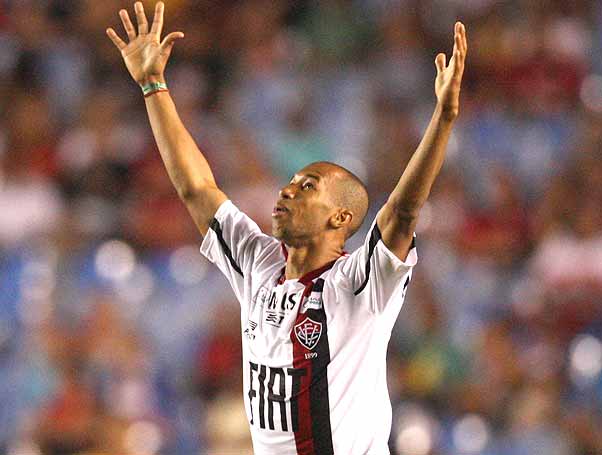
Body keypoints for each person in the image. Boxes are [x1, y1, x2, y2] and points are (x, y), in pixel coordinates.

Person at [106, 2, 467, 454]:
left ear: (341, 218)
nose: (287, 190)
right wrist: (153, 86)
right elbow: (197, 189)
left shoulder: (359, 283)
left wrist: (443, 118)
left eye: (307, 186)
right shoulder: (258, 263)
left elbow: (404, 212)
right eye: (291, 182)